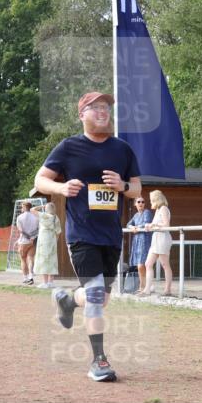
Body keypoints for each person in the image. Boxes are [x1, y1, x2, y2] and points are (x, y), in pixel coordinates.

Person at [35, 91, 141, 383]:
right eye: (95, 108)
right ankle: (99, 361)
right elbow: (40, 179)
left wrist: (122, 185)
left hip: (111, 236)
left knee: (101, 298)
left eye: (106, 107)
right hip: (81, 234)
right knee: (96, 296)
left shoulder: (123, 150)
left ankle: (68, 301)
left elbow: (137, 189)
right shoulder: (69, 147)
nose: (103, 111)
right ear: (82, 114)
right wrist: (60, 188)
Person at [139, 190, 173, 296]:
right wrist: (149, 225)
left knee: (165, 264)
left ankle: (167, 290)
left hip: (163, 238)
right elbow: (156, 224)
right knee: (148, 263)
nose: (150, 202)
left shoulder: (163, 208)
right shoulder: (158, 210)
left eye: (151, 200)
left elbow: (166, 225)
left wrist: (153, 226)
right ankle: (147, 289)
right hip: (156, 238)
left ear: (156, 199)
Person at [126, 196, 153, 293]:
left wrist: (136, 227)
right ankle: (144, 286)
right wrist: (132, 227)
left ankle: (144, 286)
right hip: (137, 241)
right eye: (139, 202)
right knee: (139, 265)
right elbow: (128, 224)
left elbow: (146, 223)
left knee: (142, 264)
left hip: (145, 240)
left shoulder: (147, 212)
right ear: (135, 204)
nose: (141, 203)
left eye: (143, 201)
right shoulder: (136, 215)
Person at [32, 202, 61, 288]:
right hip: (52, 239)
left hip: (43, 239)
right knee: (52, 260)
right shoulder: (56, 217)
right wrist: (55, 241)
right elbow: (58, 232)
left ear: (46, 208)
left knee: (43, 259)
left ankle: (45, 282)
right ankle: (50, 282)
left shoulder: (44, 215)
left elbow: (32, 210)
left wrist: (41, 206)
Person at [15, 201, 39, 284]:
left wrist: (28, 237)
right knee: (31, 258)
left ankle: (25, 277)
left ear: (25, 207)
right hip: (33, 241)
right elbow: (38, 229)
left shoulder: (20, 217)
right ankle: (31, 276)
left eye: (22, 207)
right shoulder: (36, 217)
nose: (21, 208)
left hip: (23, 241)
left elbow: (21, 230)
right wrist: (32, 237)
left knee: (23, 259)